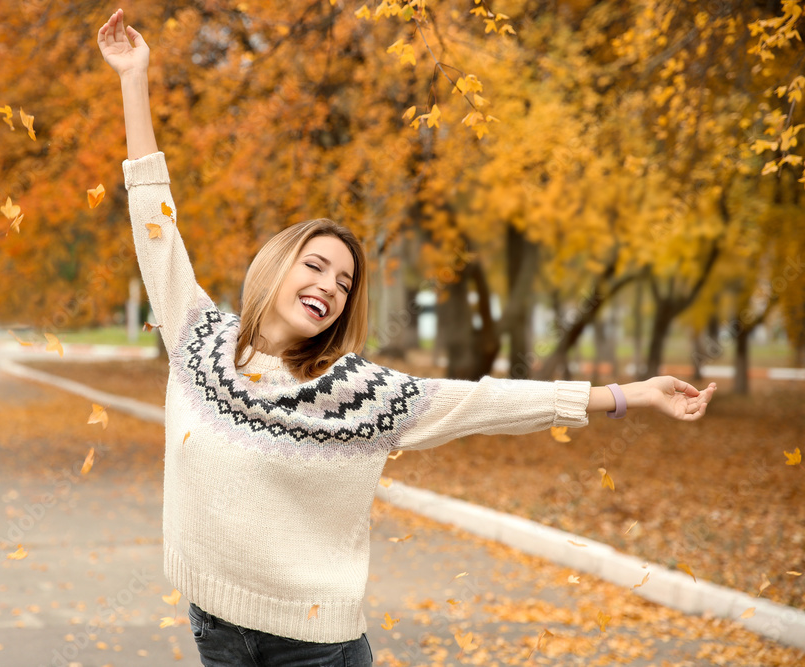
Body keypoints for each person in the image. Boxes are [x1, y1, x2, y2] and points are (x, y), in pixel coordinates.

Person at [97, 8, 717, 666]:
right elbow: (153, 216)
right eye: (315, 265)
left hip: (317, 647)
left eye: (344, 281)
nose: (331, 285)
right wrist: (134, 79)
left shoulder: (352, 392)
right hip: (215, 629)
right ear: (275, 265)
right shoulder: (198, 340)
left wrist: (631, 394)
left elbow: (484, 402)